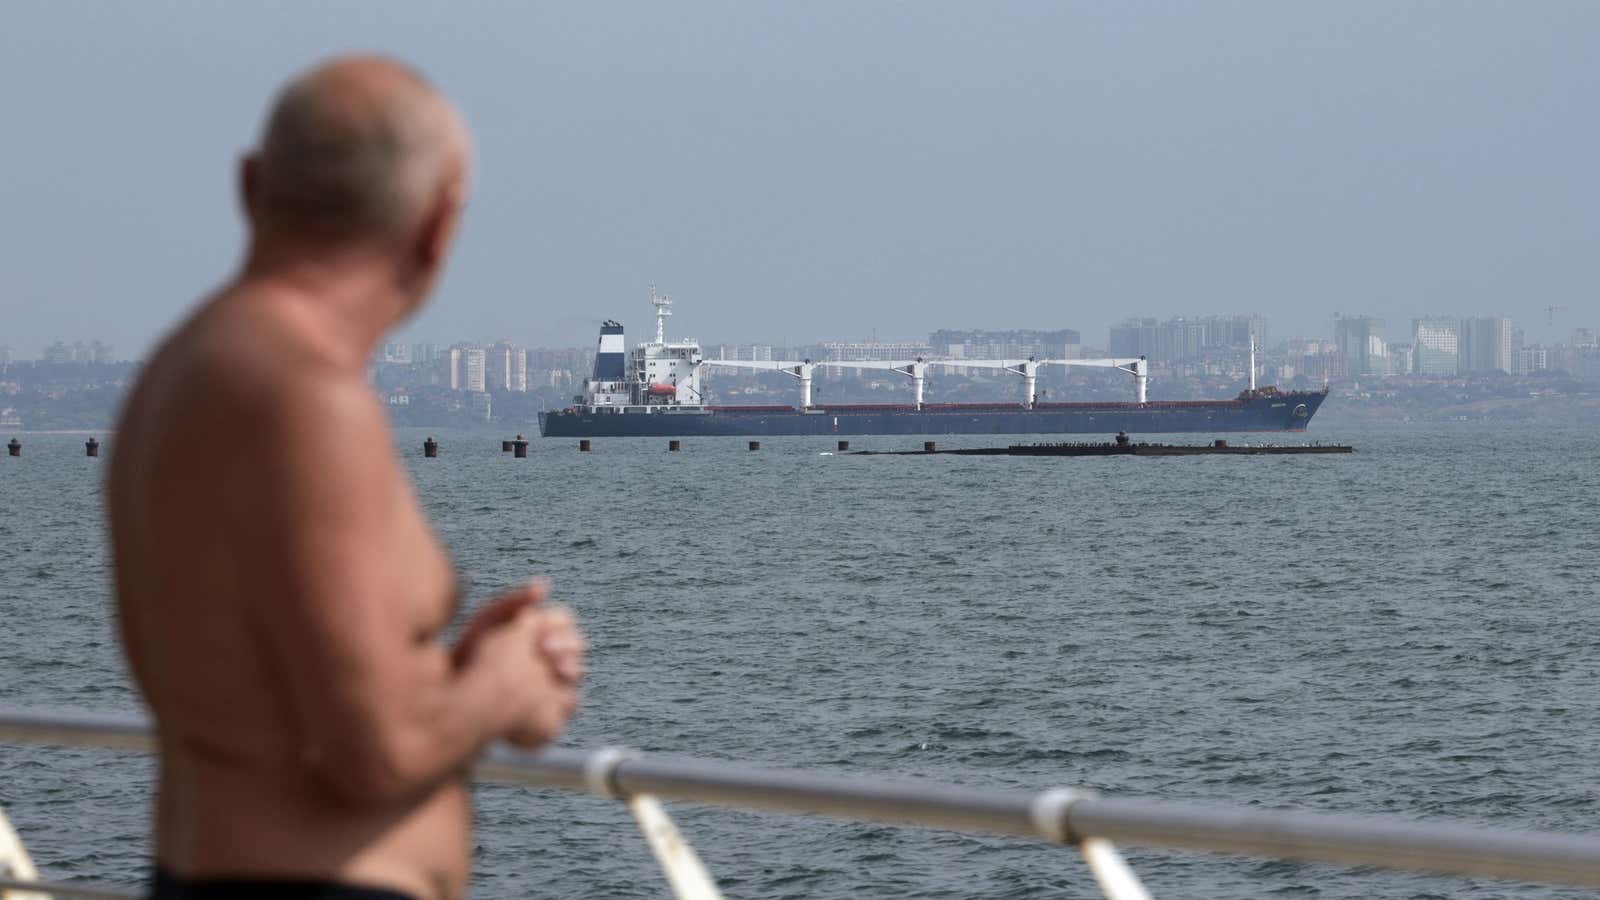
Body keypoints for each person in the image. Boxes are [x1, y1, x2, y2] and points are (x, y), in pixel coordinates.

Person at [107, 56, 585, 900]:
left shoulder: (180, 372)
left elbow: (287, 689)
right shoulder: (309, 404)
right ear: (438, 225)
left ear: (249, 186)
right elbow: (376, 751)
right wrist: (507, 684)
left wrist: (453, 671)